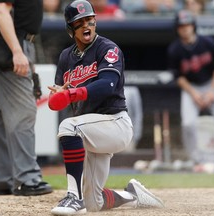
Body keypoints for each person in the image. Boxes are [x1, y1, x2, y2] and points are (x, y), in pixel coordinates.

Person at [48, 0, 164, 214]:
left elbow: (107, 85)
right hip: (90, 128)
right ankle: (133, 196)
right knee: (95, 203)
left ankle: (74, 197)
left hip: (114, 123)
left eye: (89, 20)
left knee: (68, 127)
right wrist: (57, 96)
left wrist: (73, 93)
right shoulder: (66, 57)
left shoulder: (107, 48)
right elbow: (58, 97)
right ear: (70, 29)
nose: (86, 26)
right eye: (79, 22)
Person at [0, 0, 53, 196]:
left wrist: (24, 52)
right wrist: (17, 51)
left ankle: (0, 180)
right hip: (12, 43)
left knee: (0, 117)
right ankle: (27, 178)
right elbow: (0, 11)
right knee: (23, 112)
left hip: (17, 41)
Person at [167, 10, 214, 169]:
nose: (185, 28)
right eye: (181, 26)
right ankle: (195, 159)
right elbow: (178, 77)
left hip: (212, 84)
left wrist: (212, 91)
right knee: (188, 124)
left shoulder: (208, 42)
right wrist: (194, 94)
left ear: (193, 26)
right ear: (178, 28)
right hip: (191, 88)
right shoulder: (174, 49)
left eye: (188, 25)